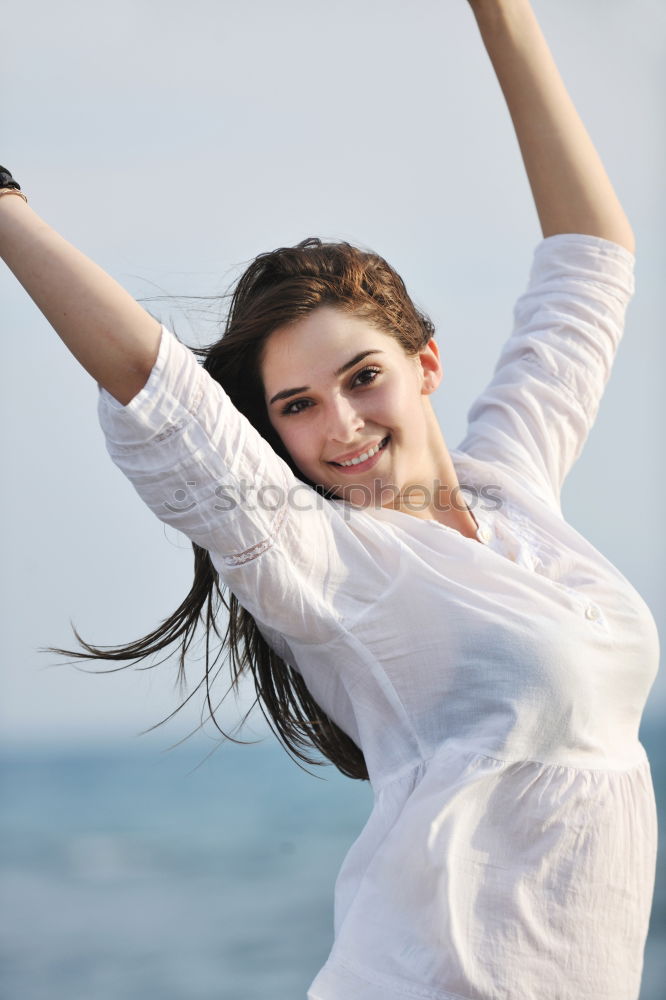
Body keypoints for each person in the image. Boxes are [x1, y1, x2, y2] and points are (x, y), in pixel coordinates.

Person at [0, 0, 659, 997]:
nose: (341, 428)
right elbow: (157, 385)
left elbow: (591, 259)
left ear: (425, 360)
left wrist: (504, 17)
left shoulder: (513, 488)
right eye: (297, 407)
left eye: (362, 378)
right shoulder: (331, 565)